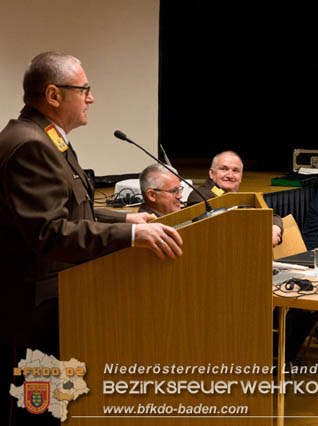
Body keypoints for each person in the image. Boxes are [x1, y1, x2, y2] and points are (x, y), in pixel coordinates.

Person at [0, 52, 182, 426]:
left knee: (50, 408)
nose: (91, 98)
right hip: (35, 310)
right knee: (39, 412)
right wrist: (132, 235)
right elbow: (51, 232)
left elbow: (71, 208)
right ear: (53, 95)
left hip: (54, 300)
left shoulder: (45, 137)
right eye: (84, 89)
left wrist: (125, 217)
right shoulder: (31, 145)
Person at [187, 150, 283, 246]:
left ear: (241, 176)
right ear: (212, 173)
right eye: (224, 169)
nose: (230, 175)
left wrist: (274, 228)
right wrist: (262, 234)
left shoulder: (238, 197)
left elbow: (272, 216)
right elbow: (219, 232)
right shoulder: (199, 196)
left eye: (235, 170)